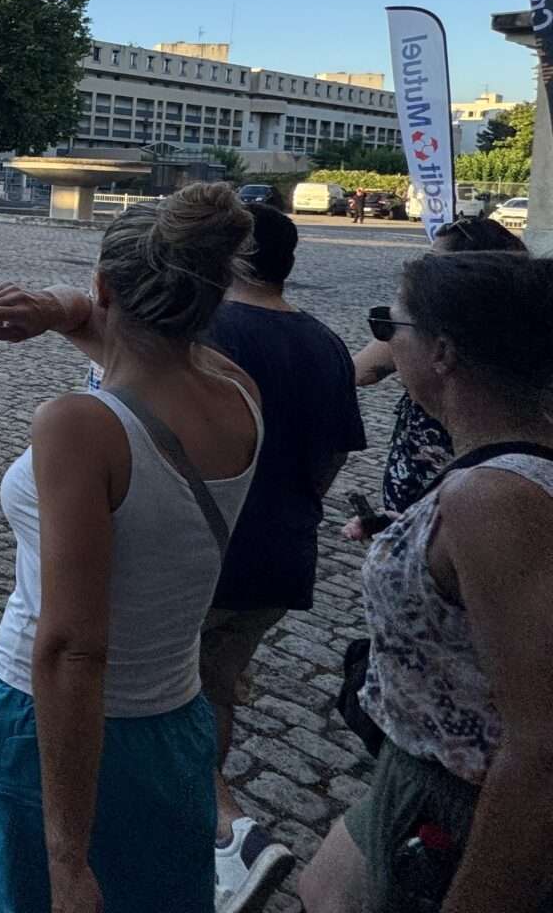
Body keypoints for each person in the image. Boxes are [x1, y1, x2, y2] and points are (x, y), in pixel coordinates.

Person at [0, 183, 262, 912]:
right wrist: (65, 309)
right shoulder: (238, 390)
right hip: (172, 719)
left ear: (108, 287)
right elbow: (140, 356)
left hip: (45, 725)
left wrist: (67, 857)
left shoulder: (80, 426)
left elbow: (73, 649)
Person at [299, 252, 553, 913]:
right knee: (322, 888)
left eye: (391, 325)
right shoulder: (500, 474)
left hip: (460, 802)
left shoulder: (492, 497)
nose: (384, 341)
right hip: (415, 771)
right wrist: (408, 543)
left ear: (442, 352)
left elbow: (540, 741)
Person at [195, 205, 366, 912]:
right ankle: (205, 842)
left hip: (207, 556)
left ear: (233, 256)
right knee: (215, 689)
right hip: (282, 556)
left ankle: (228, 832)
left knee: (147, 695)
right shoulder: (326, 342)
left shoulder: (208, 331)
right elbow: (330, 457)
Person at [347, 216, 527, 535]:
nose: (424, 270)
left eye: (432, 261)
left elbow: (357, 372)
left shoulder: (488, 481)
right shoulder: (517, 337)